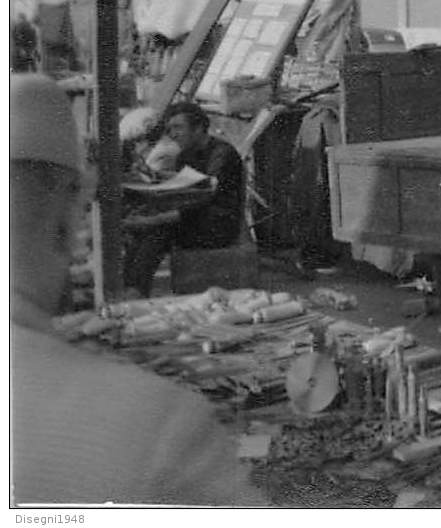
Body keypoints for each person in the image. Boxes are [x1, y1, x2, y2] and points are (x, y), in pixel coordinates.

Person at [10, 75, 264, 505]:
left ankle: (133, 283)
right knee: (149, 235)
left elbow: (204, 201)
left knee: (151, 234)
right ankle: (134, 283)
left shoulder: (221, 155)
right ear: (68, 222)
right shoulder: (153, 423)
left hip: (210, 229)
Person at [123, 101, 243, 297]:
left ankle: (135, 291)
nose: (173, 134)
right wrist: (153, 178)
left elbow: (203, 199)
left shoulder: (222, 154)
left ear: (199, 128)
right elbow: (181, 194)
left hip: (217, 225)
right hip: (193, 219)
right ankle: (129, 286)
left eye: (178, 127)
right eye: (170, 129)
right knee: (139, 227)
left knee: (156, 230)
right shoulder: (185, 155)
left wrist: (154, 219)